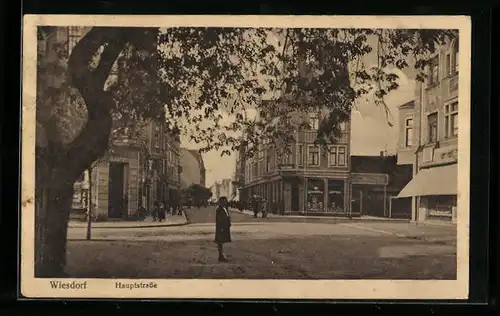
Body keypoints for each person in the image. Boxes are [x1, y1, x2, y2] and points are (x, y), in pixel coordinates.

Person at [214, 196, 231, 262]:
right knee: (220, 242)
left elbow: (227, 216)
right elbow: (219, 219)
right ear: (222, 201)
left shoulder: (225, 208)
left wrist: (228, 223)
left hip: (224, 227)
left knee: (221, 242)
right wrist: (221, 228)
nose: (226, 202)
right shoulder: (219, 209)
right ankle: (220, 256)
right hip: (221, 228)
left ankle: (220, 256)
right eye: (225, 201)